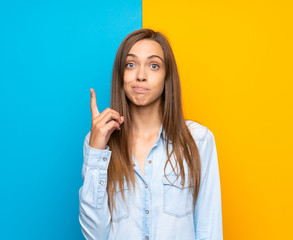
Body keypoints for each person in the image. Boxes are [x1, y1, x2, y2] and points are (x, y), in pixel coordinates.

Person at [78, 28, 223, 240]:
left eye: (153, 65)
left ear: (167, 77)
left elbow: (209, 230)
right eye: (130, 64)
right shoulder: (97, 144)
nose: (141, 76)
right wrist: (96, 151)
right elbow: (95, 235)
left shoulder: (199, 140)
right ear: (121, 75)